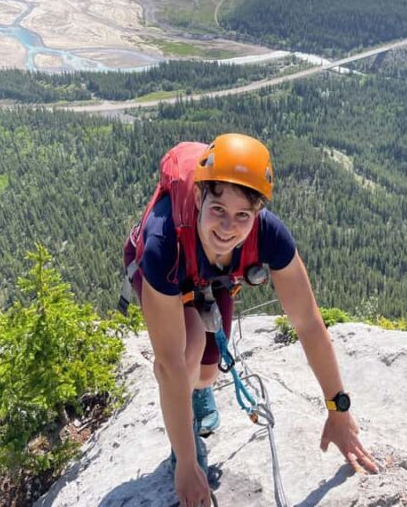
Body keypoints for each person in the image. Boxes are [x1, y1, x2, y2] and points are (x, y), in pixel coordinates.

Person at [124, 133, 377, 507]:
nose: (228, 227)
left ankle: (199, 394)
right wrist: (188, 463)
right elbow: (169, 363)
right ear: (198, 197)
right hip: (170, 274)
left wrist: (338, 410)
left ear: (257, 214)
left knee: (207, 374)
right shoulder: (164, 241)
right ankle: (186, 436)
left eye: (242, 214)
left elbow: (308, 323)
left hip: (215, 277)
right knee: (189, 345)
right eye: (218, 210)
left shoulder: (268, 234)